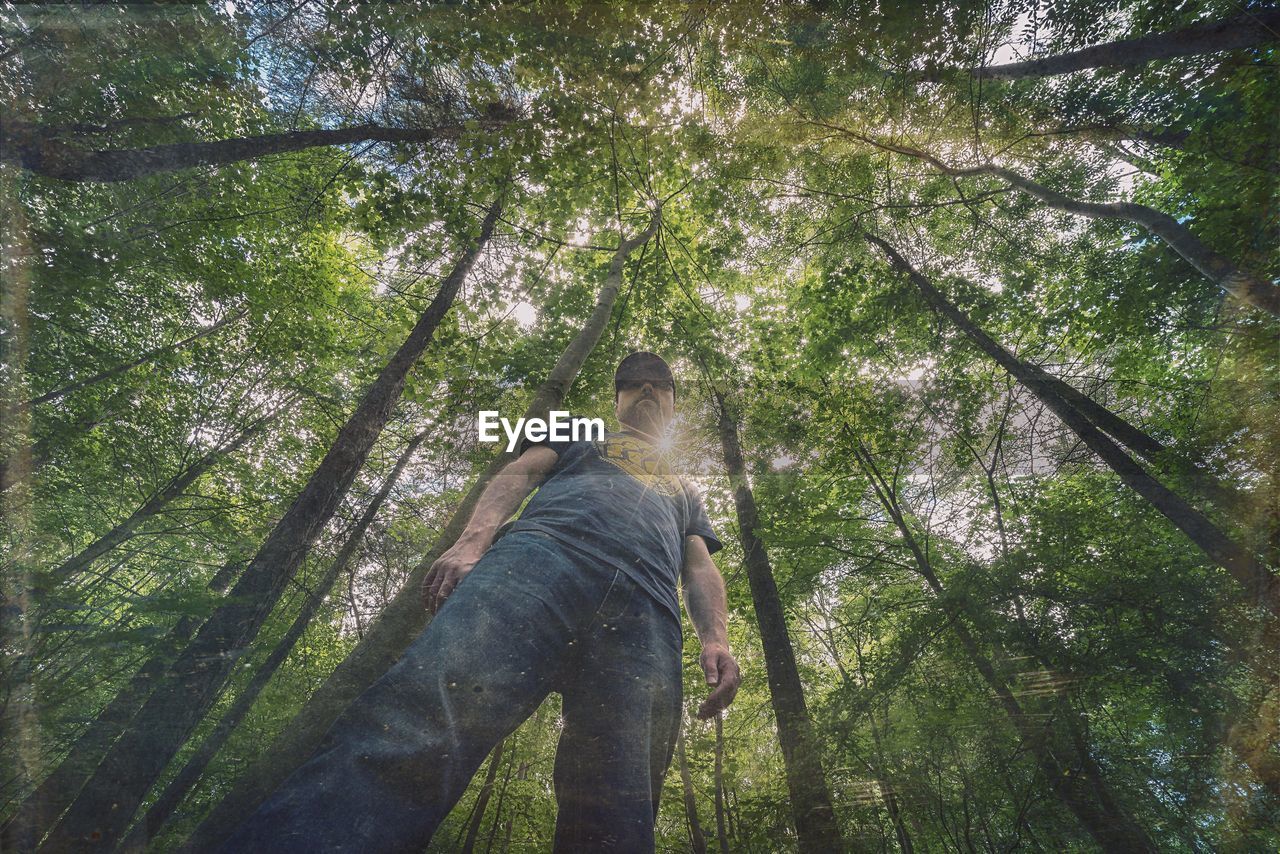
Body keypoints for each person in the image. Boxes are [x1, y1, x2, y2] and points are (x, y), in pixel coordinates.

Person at [217, 351, 741, 853]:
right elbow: (521, 471)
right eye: (633, 381)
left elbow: (698, 565)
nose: (646, 387)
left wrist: (715, 638)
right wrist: (473, 540)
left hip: (647, 614)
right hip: (541, 558)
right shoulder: (580, 429)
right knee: (425, 718)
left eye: (659, 383)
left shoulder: (686, 488)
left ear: (673, 403)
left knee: (621, 798)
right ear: (617, 398)